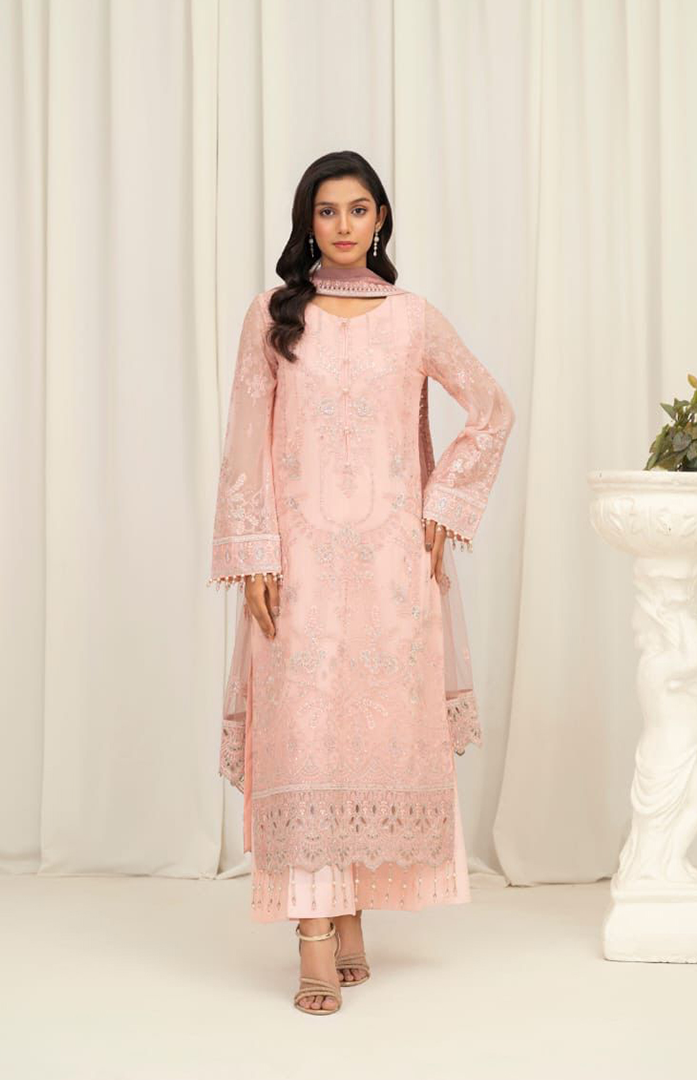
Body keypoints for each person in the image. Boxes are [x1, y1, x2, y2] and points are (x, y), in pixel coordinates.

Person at [207, 150, 515, 1015]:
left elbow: (491, 408)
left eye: (358, 209)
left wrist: (444, 503)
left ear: (380, 219)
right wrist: (254, 556)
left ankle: (350, 916)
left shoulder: (412, 318)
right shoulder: (273, 315)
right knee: (304, 739)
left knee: (365, 741)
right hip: (298, 567)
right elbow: (244, 443)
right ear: (307, 223)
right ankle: (313, 931)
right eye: (327, 211)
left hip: (390, 569)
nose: (343, 225)